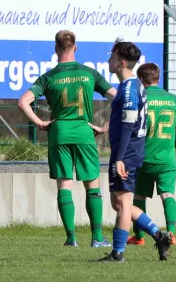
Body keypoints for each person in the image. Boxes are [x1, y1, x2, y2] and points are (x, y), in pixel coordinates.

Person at [17, 30, 115, 248]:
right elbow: (117, 97)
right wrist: (106, 125)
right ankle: (97, 237)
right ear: (75, 47)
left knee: (64, 185)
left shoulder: (49, 77)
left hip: (59, 133)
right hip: (83, 132)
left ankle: (71, 238)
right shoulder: (89, 73)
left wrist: (40, 122)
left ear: (55, 49)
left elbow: (23, 102)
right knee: (92, 184)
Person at [97, 40, 172, 262]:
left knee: (122, 203)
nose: (108, 60)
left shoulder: (130, 87)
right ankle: (159, 236)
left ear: (121, 62)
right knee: (119, 203)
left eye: (111, 57)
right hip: (130, 150)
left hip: (126, 153)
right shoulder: (133, 85)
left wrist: (120, 158)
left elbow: (129, 123)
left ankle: (118, 253)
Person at [128, 63, 176, 246]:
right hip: (166, 159)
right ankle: (172, 233)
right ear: (158, 78)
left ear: (141, 80)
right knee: (168, 195)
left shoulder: (139, 98)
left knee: (138, 197)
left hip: (143, 158)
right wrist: (172, 146)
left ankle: (139, 238)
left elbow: (130, 127)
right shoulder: (172, 99)